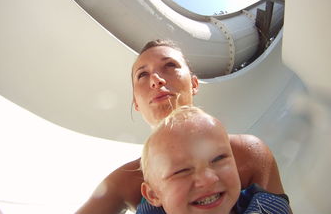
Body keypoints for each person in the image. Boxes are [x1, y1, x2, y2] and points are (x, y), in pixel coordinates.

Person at [75, 39, 284, 214]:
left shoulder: (249, 153)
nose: (156, 79)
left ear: (194, 84)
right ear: (136, 103)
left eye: (170, 65)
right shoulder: (124, 181)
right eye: (143, 74)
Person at [137, 106, 291, 214]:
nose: (209, 179)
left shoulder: (269, 208)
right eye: (182, 171)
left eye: (219, 158)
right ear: (153, 195)